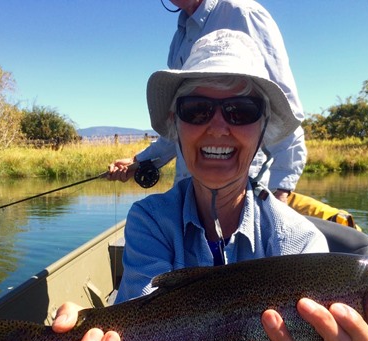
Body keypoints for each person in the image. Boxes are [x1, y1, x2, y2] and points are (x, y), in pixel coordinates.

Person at [32, 30, 368, 341]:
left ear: (262, 129)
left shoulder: (298, 243)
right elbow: (135, 321)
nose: (217, 126)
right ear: (175, 126)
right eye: (197, 109)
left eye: (240, 109)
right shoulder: (150, 219)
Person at [107, 0, 306, 203]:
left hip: (246, 194)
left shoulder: (243, 13)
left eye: (237, 111)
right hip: (189, 193)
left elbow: (284, 110)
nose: (217, 127)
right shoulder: (180, 37)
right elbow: (182, 124)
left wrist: (281, 188)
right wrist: (139, 161)